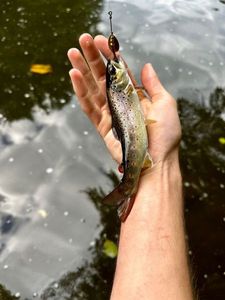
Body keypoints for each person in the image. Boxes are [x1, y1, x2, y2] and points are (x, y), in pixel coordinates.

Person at [68, 33, 194, 300]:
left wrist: (161, 160)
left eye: (116, 69)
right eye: (116, 71)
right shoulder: (120, 86)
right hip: (134, 139)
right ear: (120, 82)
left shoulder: (122, 86)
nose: (117, 68)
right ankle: (128, 188)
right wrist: (161, 165)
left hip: (139, 141)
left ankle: (128, 189)